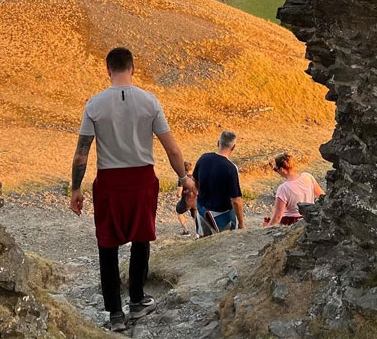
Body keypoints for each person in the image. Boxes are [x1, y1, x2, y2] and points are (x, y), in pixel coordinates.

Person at [69, 47, 193, 333]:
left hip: (110, 183)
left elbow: (80, 155)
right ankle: (137, 300)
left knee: (107, 245)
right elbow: (171, 148)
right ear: (133, 68)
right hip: (142, 182)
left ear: (108, 69)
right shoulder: (149, 101)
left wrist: (76, 188)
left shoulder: (94, 104)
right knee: (141, 240)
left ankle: (115, 313)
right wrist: (184, 177)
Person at [193, 131, 245, 235]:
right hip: (222, 215)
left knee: (203, 243)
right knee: (224, 246)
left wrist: (200, 194)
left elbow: (195, 180)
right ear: (233, 147)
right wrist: (241, 223)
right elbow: (236, 200)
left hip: (202, 209)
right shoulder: (230, 168)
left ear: (218, 143)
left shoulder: (203, 158)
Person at [265, 153, 325, 226]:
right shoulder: (308, 176)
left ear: (282, 169)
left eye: (275, 169)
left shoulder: (283, 188)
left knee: (267, 220)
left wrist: (267, 227)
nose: (276, 172)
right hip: (309, 217)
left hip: (290, 221)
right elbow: (322, 195)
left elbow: (278, 216)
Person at [175, 161, 197, 236]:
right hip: (195, 201)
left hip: (186, 201)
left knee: (179, 212)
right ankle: (197, 233)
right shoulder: (196, 177)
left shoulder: (182, 180)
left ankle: (186, 231)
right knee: (195, 216)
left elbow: (178, 194)